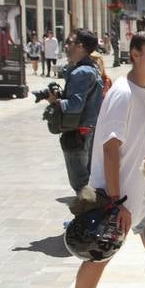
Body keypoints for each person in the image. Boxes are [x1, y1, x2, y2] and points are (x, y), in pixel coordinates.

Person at [63, 32, 145, 288]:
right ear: (136, 54)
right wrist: (116, 202)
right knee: (97, 257)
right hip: (116, 197)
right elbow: (111, 148)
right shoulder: (124, 93)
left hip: (142, 195)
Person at [50, 30, 104, 194]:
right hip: (89, 129)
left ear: (80, 46)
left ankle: (87, 217)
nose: (67, 46)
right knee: (87, 179)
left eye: (70, 42)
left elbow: (75, 105)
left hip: (79, 132)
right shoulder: (89, 68)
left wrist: (54, 101)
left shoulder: (81, 72)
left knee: (80, 183)